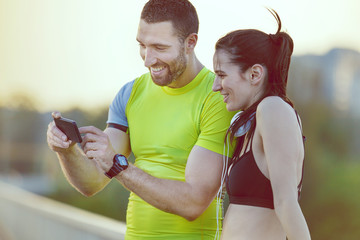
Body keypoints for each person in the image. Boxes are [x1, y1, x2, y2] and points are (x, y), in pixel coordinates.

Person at [47, 0, 234, 239]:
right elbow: (91, 183)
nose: (147, 59)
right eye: (142, 45)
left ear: (190, 43)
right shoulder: (130, 94)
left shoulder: (219, 98)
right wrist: (66, 151)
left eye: (159, 47)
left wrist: (118, 165)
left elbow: (194, 203)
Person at [211, 9, 311, 240]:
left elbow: (287, 204)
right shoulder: (253, 120)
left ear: (255, 74)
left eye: (222, 75)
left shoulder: (273, 108)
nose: (216, 86)